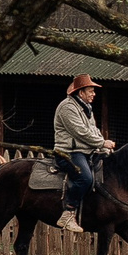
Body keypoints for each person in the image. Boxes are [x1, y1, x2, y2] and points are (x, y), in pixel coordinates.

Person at [52, 73, 113, 234]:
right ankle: (67, 213)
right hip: (68, 152)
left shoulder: (85, 108)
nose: (94, 94)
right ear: (81, 92)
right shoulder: (67, 108)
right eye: (91, 91)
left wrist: (104, 148)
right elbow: (81, 132)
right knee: (85, 177)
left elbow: (93, 130)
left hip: (84, 151)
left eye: (93, 91)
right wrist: (102, 143)